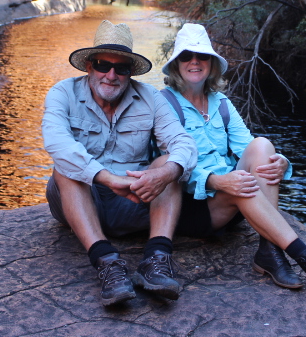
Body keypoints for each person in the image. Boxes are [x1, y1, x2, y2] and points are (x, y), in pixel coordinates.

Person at [160, 23, 306, 303]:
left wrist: (281, 163)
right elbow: (168, 165)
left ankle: (269, 249)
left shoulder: (220, 103)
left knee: (263, 144)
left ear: (210, 63)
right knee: (239, 186)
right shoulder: (163, 105)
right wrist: (217, 181)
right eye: (186, 56)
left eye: (201, 56)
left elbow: (249, 149)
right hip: (194, 208)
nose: (194, 62)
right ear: (176, 65)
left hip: (233, 195)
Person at [42, 19, 197, 306]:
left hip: (133, 202)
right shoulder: (63, 93)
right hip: (78, 201)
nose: (111, 75)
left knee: (168, 163)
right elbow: (56, 142)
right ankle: (107, 262)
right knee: (65, 164)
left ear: (130, 73)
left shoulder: (150, 97)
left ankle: (156, 259)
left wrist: (166, 172)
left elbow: (183, 142)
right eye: (103, 64)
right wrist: (107, 178)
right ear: (89, 66)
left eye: (121, 68)